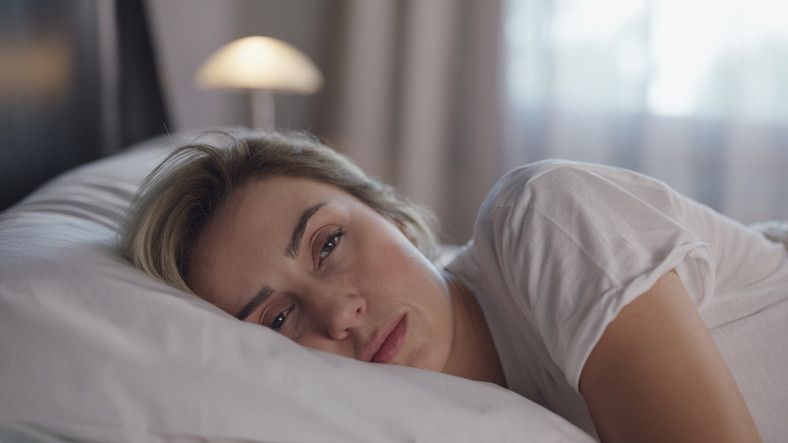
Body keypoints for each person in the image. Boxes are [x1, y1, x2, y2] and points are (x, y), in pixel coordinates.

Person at [120, 129, 787, 442]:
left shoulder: (543, 213)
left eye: (328, 243)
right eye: (276, 318)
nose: (340, 312)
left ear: (393, 216)